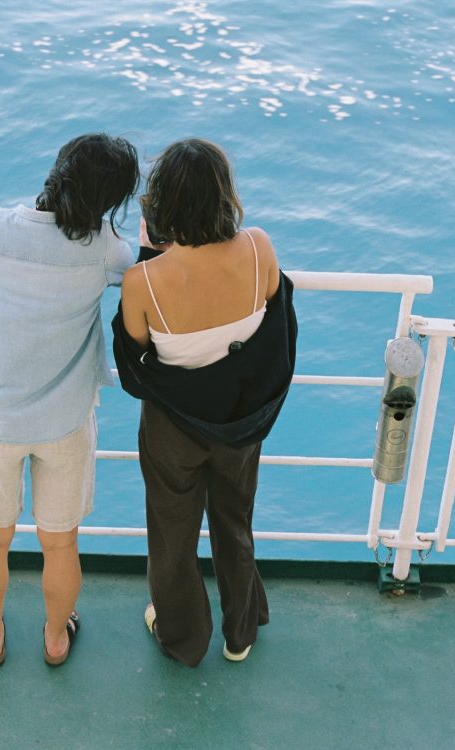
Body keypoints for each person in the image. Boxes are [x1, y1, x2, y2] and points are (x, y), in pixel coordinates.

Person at [0, 133, 139, 667]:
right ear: (109, 201)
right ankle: (54, 637)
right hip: (65, 422)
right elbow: (133, 269)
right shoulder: (106, 252)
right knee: (61, 544)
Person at [114, 138, 297, 666]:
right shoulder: (261, 247)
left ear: (161, 205)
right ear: (225, 195)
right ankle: (240, 632)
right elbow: (270, 320)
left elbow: (137, 360)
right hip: (241, 422)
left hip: (174, 429)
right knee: (234, 520)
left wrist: (153, 256)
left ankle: (183, 637)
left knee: (172, 534)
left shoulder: (141, 281)